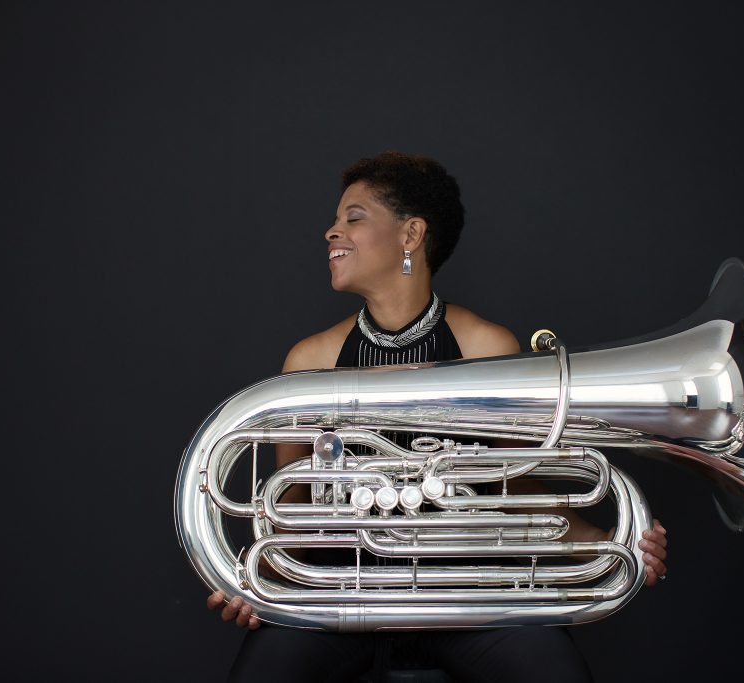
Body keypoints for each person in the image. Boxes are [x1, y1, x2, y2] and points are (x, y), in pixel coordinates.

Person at [207, 151, 669, 682]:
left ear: (411, 235)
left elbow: (516, 490)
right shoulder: (309, 361)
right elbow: (286, 501)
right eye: (335, 221)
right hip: (339, 594)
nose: (331, 232)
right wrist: (248, 577)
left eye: (353, 218)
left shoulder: (485, 346)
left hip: (465, 592)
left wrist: (611, 542)